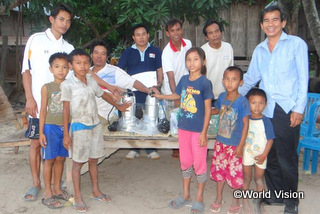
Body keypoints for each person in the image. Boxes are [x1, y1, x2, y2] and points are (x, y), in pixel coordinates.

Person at [238, 4, 308, 214]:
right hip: (265, 112)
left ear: (283, 22)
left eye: (275, 20)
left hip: (287, 110)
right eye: (266, 21)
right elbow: (251, 78)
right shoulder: (260, 50)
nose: (271, 24)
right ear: (261, 25)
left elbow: (303, 79)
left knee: (287, 158)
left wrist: (299, 109)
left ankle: (292, 202)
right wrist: (231, 96)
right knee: (270, 155)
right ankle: (277, 194)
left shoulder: (296, 44)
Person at [61, 49, 131, 212]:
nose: (83, 66)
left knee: (94, 160)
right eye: (78, 63)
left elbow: (103, 95)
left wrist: (119, 106)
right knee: (78, 163)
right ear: (71, 65)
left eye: (86, 63)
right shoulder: (67, 84)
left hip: (95, 126)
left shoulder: (91, 80)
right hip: (79, 128)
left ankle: (95, 190)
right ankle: (78, 197)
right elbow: (65, 110)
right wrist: (66, 134)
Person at [21, 3, 74, 202]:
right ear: (51, 19)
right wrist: (29, 98)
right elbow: (26, 70)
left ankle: (56, 185)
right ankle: (36, 183)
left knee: (58, 149)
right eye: (61, 19)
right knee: (36, 142)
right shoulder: (36, 40)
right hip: (37, 104)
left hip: (60, 110)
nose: (65, 24)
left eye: (68, 21)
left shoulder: (68, 48)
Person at [153, 47, 213, 214]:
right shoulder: (184, 80)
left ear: (203, 62)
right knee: (185, 162)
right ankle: (186, 194)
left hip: (198, 131)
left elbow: (208, 110)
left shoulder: (205, 83)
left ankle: (199, 197)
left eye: (195, 59)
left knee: (199, 164)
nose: (192, 63)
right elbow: (177, 96)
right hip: (184, 129)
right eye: (189, 59)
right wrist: (161, 97)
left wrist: (203, 133)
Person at [117, 23, 163, 160]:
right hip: (134, 92)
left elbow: (159, 70)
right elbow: (120, 71)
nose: (141, 37)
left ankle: (150, 149)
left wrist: (159, 83)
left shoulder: (156, 50)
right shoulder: (127, 52)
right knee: (133, 118)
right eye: (138, 35)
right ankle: (134, 148)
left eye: (144, 34)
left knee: (150, 118)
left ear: (148, 35)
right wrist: (123, 87)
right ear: (133, 37)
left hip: (151, 92)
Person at [210, 66, 250, 214]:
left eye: (234, 79)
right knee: (219, 172)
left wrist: (241, 145)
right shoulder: (221, 97)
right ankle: (219, 198)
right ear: (222, 81)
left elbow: (246, 125)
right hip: (220, 143)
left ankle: (235, 202)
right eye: (227, 79)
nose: (230, 82)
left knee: (235, 175)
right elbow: (216, 111)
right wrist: (206, 110)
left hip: (235, 146)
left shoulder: (243, 102)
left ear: (240, 82)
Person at [89, 40, 151, 123]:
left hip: (102, 115)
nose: (99, 56)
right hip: (85, 112)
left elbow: (133, 82)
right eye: (96, 53)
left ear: (107, 57)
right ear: (91, 55)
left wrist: (148, 90)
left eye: (103, 54)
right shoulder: (85, 71)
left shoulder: (114, 71)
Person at [38, 53, 71, 209]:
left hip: (66, 127)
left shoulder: (70, 86)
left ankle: (57, 188)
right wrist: (41, 132)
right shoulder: (47, 87)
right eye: (57, 67)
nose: (61, 70)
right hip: (50, 127)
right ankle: (48, 192)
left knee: (60, 159)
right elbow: (43, 111)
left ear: (69, 69)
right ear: (51, 69)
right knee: (49, 160)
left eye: (64, 67)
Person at [161, 18, 192, 158]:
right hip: (171, 90)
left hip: (186, 88)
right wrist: (176, 96)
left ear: (182, 30)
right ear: (167, 33)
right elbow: (170, 77)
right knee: (173, 118)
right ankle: (175, 148)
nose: (176, 33)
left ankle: (185, 146)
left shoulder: (188, 44)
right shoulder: (166, 52)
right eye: (172, 30)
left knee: (186, 117)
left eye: (178, 29)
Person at [242, 88, 275, 214]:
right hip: (247, 154)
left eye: (260, 103)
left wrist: (264, 155)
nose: (257, 106)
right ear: (248, 103)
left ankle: (260, 203)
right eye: (253, 102)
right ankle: (245, 202)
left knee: (259, 179)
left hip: (261, 155)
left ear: (265, 104)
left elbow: (270, 140)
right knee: (246, 178)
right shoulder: (245, 119)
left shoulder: (266, 121)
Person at [201, 20, 233, 104]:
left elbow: (231, 71)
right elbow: (201, 76)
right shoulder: (203, 51)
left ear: (221, 32)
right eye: (211, 33)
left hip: (226, 95)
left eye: (217, 31)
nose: (215, 35)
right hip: (208, 96)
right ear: (206, 37)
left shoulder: (228, 47)